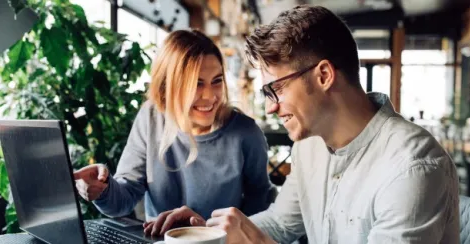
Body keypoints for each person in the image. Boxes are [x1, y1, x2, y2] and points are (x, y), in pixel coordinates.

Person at [158, 5, 460, 244]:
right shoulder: (309, 145)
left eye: (275, 89)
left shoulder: (412, 167)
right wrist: (207, 232)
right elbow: (280, 224)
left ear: (324, 75)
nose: (271, 107)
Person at [73, 30, 273, 237]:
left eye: (217, 81)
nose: (210, 96)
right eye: (196, 83)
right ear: (168, 86)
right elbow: (122, 200)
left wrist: (210, 232)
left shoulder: (246, 133)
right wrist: (103, 189)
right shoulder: (150, 117)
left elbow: (260, 214)